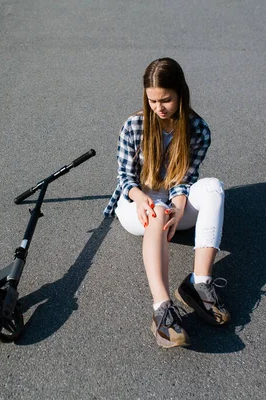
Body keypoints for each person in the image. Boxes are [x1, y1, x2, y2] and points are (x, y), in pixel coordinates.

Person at [103, 58, 229, 348]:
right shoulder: (134, 125)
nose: (159, 108)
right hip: (136, 206)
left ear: (181, 94)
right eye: (152, 100)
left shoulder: (198, 129)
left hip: (176, 201)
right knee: (157, 211)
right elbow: (124, 176)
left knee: (213, 188)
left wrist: (181, 205)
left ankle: (199, 283)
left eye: (166, 100)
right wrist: (138, 196)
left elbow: (187, 177)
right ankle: (162, 308)